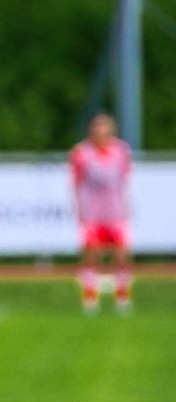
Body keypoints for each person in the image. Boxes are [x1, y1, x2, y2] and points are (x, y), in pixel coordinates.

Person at [69, 113, 133, 313]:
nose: (100, 131)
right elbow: (76, 182)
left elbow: (124, 180)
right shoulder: (81, 153)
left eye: (104, 127)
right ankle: (90, 297)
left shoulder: (121, 151)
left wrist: (125, 205)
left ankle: (122, 296)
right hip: (92, 212)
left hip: (114, 211)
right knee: (91, 255)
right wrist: (79, 208)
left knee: (121, 255)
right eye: (97, 127)